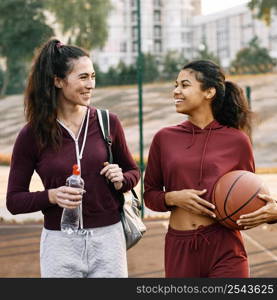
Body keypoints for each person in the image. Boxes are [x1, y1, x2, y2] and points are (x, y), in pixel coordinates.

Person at [6, 38, 140, 278]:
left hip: (108, 240)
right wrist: (51, 196)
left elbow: (133, 172)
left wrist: (122, 179)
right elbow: (14, 201)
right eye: (83, 77)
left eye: (93, 76)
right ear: (58, 81)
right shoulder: (32, 134)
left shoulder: (108, 122)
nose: (91, 85)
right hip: (59, 245)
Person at [144, 59, 255, 278]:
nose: (176, 91)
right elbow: (149, 196)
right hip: (180, 247)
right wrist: (173, 198)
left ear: (209, 92)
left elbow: (250, 197)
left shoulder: (237, 141)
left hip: (225, 247)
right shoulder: (164, 138)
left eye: (184, 85)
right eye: (175, 85)